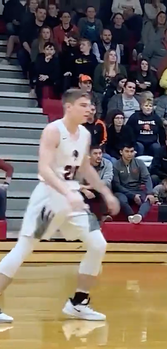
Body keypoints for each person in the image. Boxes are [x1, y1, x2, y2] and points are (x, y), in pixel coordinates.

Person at [0, 90, 120, 323]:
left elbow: (84, 168)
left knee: (98, 244)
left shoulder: (84, 133)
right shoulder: (53, 130)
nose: (89, 109)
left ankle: (78, 303)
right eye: (83, 105)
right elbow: (44, 168)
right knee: (23, 249)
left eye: (90, 105)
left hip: (72, 198)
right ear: (69, 107)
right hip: (49, 197)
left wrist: (106, 192)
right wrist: (66, 191)